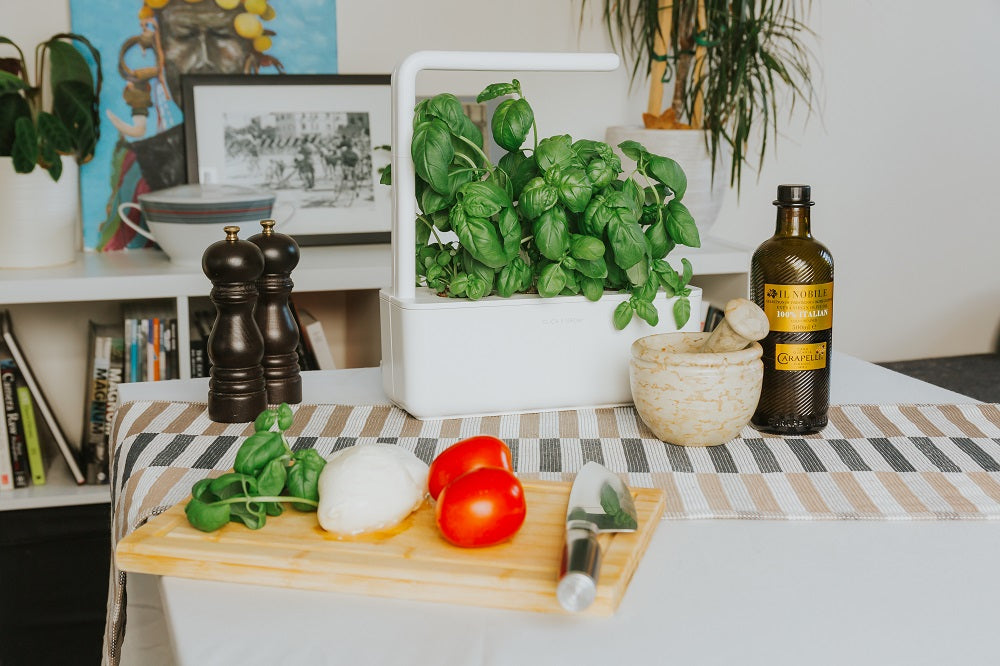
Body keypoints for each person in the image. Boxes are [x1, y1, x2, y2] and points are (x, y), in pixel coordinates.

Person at [98, 0, 283, 250]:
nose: (203, 60)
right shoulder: (141, 165)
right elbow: (118, 259)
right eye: (184, 38)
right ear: (159, 47)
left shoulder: (285, 147)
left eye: (222, 36)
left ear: (248, 48)